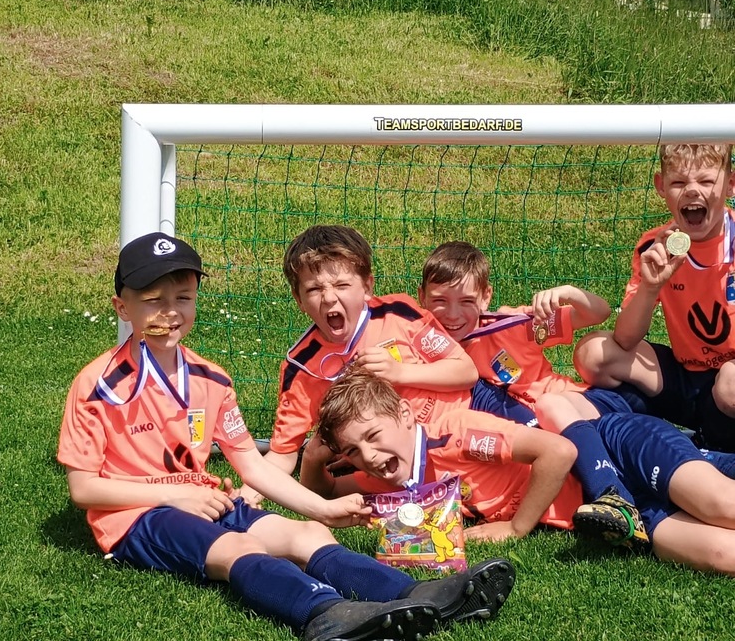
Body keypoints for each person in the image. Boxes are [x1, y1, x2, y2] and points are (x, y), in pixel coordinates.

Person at [57, 232, 516, 641]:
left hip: (204, 500)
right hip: (137, 516)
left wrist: (324, 508)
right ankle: (326, 614)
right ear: (122, 308)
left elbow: (252, 465)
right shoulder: (97, 384)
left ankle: (422, 594)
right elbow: (84, 489)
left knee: (306, 534)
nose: (171, 311)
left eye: (183, 297)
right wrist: (174, 495)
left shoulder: (212, 380)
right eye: (153, 300)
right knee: (239, 547)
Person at [306, 369, 735, 577]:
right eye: (353, 451)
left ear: (404, 414)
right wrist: (311, 460)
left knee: (721, 505)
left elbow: (559, 451)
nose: (369, 456)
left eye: (373, 436)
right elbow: (326, 494)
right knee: (722, 555)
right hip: (619, 514)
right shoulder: (392, 473)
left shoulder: (456, 433)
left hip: (618, 450)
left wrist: (516, 526)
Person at [416, 241, 648, 547]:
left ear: (486, 297)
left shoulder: (509, 326)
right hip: (545, 441)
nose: (452, 314)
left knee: (552, 408)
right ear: (421, 297)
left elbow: (597, 313)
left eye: (466, 301)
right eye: (440, 300)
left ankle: (613, 497)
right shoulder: (424, 352)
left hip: (582, 408)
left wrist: (568, 293)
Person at [244, 225, 478, 498]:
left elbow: (466, 371)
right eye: (314, 289)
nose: (329, 298)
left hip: (466, 423)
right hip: (396, 467)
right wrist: (246, 496)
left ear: (367, 286)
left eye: (342, 285)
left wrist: (400, 372)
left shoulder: (397, 314)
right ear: (299, 300)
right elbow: (283, 454)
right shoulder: (302, 368)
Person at [573, 143, 735, 451]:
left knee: (731, 383)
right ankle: (650, 432)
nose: (692, 190)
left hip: (731, 381)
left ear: (730, 184)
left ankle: (716, 444)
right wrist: (650, 287)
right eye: (679, 182)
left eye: (705, 181)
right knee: (593, 354)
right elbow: (625, 339)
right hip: (685, 374)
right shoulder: (655, 247)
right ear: (661, 186)